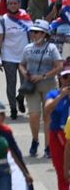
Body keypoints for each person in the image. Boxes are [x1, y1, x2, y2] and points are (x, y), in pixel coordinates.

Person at [19, 19, 62, 157]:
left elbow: (59, 66)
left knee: (48, 116)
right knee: (34, 115)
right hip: (32, 86)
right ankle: (35, 140)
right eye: (32, 32)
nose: (34, 35)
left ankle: (48, 146)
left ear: (45, 34)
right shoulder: (28, 48)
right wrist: (25, 73)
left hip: (48, 84)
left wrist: (43, 76)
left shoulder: (52, 48)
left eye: (37, 32)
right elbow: (21, 64)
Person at [0, 0, 32, 119]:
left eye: (16, 3)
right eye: (11, 3)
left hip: (24, 57)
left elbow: (33, 34)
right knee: (11, 83)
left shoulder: (26, 17)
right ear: (7, 5)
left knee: (26, 83)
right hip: (8, 56)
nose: (13, 5)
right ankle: (13, 108)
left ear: (19, 4)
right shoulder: (3, 20)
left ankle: (20, 98)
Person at [44, 63, 70, 190]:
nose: (68, 80)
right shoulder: (53, 94)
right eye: (65, 77)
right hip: (57, 135)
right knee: (62, 171)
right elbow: (47, 110)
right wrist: (61, 95)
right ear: (60, 79)